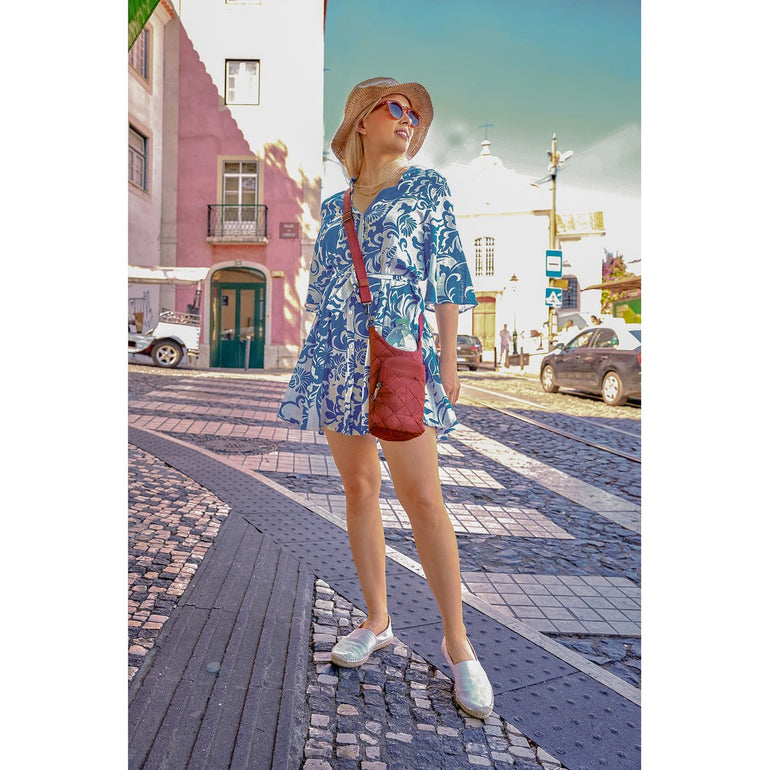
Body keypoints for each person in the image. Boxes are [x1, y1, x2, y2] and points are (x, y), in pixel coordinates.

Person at [278, 77, 494, 719]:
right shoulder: (336, 207)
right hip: (340, 355)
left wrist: (447, 360)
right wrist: (316, 360)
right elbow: (322, 295)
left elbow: (448, 275)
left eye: (414, 114)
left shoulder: (427, 188)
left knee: (424, 498)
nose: (407, 119)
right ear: (362, 122)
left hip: (400, 353)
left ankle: (459, 645)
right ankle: (377, 619)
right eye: (394, 108)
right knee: (359, 488)